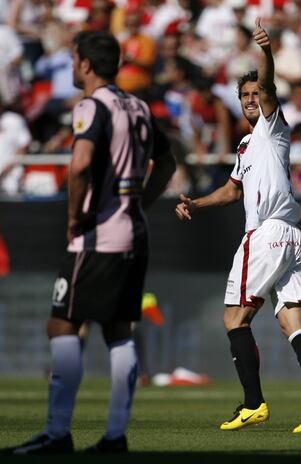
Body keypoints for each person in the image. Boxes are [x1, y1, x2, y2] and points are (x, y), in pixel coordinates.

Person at [8, 30, 175, 454]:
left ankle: (57, 432)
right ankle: (115, 436)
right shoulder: (138, 105)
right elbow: (167, 162)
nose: (70, 65)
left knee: (63, 324)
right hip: (135, 233)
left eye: (72, 58)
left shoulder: (92, 106)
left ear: (84, 63)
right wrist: (139, 202)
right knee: (120, 332)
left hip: (98, 236)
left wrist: (74, 218)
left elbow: (80, 164)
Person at [175, 18, 301, 433]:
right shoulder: (248, 145)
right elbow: (230, 191)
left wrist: (264, 53)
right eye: (244, 95)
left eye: (254, 93)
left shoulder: (272, 126)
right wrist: (196, 202)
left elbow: (268, 86)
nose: (250, 99)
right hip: (292, 238)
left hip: (266, 234)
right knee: (291, 321)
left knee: (234, 319)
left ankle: (253, 403)